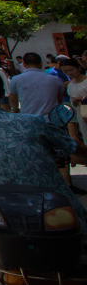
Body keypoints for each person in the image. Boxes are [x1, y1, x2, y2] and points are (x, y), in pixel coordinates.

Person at [0, 65, 87, 242]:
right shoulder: (33, 122)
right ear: (3, 90)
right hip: (56, 212)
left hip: (3, 220)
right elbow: (72, 146)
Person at [60, 59, 87, 196]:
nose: (69, 73)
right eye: (66, 72)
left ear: (78, 68)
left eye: (71, 70)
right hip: (83, 121)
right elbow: (73, 108)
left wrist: (81, 99)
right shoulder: (70, 85)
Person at [9, 52, 64, 117]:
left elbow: (12, 99)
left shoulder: (15, 80)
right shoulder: (56, 80)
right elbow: (59, 100)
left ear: (24, 64)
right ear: (41, 64)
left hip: (29, 119)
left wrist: (15, 109)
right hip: (52, 119)